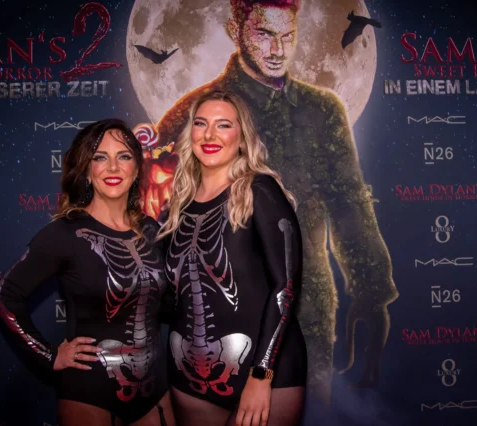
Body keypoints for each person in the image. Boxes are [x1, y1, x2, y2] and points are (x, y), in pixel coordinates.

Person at [143, 0, 398, 403]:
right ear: (236, 31)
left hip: (305, 311)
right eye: (264, 35)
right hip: (207, 324)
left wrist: (371, 289)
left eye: (288, 36)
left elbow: (349, 203)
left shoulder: (322, 109)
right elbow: (153, 207)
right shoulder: (193, 112)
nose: (277, 49)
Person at [0, 119, 175, 426]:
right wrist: (49, 355)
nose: (113, 167)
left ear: (136, 169)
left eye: (124, 156)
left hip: (155, 392)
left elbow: (169, 303)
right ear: (87, 170)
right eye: (100, 157)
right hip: (89, 393)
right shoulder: (65, 233)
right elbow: (5, 295)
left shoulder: (150, 230)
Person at [157, 90, 306, 426]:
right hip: (188, 377)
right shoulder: (177, 207)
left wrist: (261, 375)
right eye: (201, 124)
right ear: (190, 134)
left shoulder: (259, 190)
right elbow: (165, 295)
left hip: (267, 374)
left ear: (242, 137)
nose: (209, 135)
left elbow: (286, 287)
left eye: (223, 125)